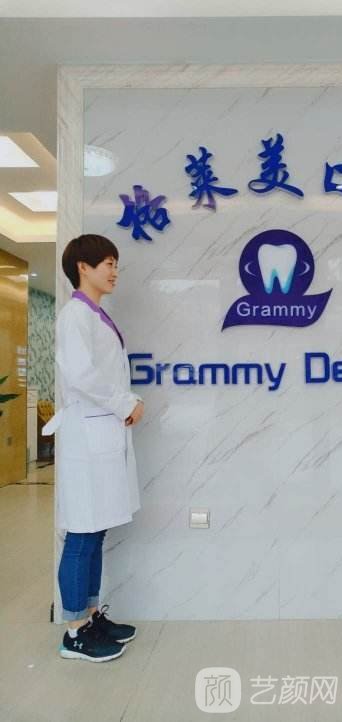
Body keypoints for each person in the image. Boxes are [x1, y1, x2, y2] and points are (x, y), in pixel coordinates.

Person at [43, 234, 144, 662]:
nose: (114, 271)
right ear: (82, 267)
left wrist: (125, 404)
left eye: (116, 263)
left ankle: (90, 616)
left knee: (96, 530)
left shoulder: (94, 315)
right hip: (87, 439)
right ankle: (74, 633)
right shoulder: (75, 316)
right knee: (82, 534)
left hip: (101, 433)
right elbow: (82, 375)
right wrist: (126, 403)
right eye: (107, 262)